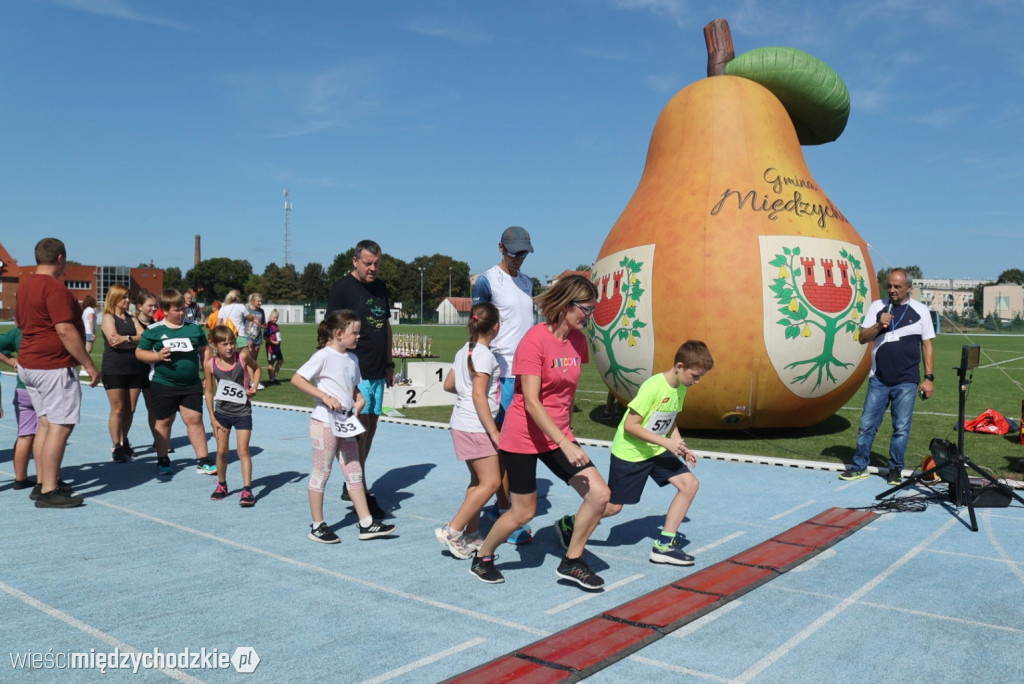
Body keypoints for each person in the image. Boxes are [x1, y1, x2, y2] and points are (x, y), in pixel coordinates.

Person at [469, 275, 610, 589]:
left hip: (556, 433)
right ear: (565, 306)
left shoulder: (577, 341)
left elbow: (567, 391)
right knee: (523, 513)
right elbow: (531, 402)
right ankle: (483, 555)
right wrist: (565, 442)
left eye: (592, 309)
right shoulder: (534, 340)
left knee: (602, 497)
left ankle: (572, 561)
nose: (590, 316)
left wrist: (566, 432)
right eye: (586, 309)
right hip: (523, 435)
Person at [555, 341, 714, 567]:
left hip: (656, 449)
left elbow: (669, 418)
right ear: (679, 366)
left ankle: (664, 546)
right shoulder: (654, 387)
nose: (696, 382)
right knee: (612, 508)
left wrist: (679, 443)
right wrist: (666, 442)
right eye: (695, 376)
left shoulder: (680, 387)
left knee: (690, 484)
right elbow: (631, 425)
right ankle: (569, 524)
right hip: (630, 453)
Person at [291, 309, 396, 543]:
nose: (359, 337)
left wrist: (359, 401)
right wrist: (324, 397)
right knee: (322, 473)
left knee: (354, 472)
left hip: (345, 424)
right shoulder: (323, 356)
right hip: (324, 423)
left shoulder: (352, 359)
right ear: (339, 333)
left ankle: (367, 524)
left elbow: (353, 388)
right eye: (354, 333)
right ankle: (317, 526)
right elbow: (297, 379)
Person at [15, 238, 100, 508]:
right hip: (51, 365)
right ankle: (50, 489)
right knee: (61, 425)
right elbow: (65, 330)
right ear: (61, 259)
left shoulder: (24, 286)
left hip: (29, 362)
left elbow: (21, 323)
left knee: (46, 423)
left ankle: (43, 482)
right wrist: (88, 364)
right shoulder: (55, 289)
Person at [471, 225, 537, 544]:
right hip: (500, 375)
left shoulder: (527, 282)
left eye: (524, 253)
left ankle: (506, 507)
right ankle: (501, 508)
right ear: (500, 248)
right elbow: (477, 328)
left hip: (526, 374)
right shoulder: (487, 281)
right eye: (514, 253)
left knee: (518, 447)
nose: (519, 259)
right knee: (500, 446)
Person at [840, 268, 935, 484]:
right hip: (879, 379)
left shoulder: (920, 310)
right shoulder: (877, 307)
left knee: (901, 429)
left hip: (907, 381)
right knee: (867, 425)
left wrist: (929, 378)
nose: (892, 290)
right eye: (889, 286)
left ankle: (895, 470)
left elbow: (927, 345)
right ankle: (859, 466)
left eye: (897, 286)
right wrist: (878, 324)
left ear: (909, 288)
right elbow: (862, 338)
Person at [326, 239, 394, 518]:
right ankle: (359, 487)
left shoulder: (381, 287)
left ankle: (352, 481)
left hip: (379, 368)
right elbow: (330, 330)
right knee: (360, 431)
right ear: (355, 261)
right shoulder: (342, 288)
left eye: (377, 263)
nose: (373, 268)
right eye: (368, 263)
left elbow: (386, 325)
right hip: (356, 369)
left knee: (371, 427)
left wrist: (389, 362)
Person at [435, 302, 503, 559]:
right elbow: (478, 394)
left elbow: (449, 384)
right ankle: (452, 530)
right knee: (492, 482)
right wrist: (493, 432)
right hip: (476, 427)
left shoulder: (465, 349)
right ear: (495, 326)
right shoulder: (484, 354)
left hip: (461, 423)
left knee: (478, 482)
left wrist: (466, 392)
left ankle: (472, 534)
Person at [135, 288, 214, 476]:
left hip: (190, 384)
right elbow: (139, 353)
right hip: (163, 383)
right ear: (165, 310)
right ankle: (163, 459)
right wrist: (157, 355)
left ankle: (203, 460)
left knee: (194, 419)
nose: (181, 313)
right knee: (165, 421)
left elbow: (205, 351)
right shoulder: (154, 331)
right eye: (176, 310)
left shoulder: (193, 328)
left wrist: (207, 374)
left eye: (182, 309)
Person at [204, 325, 260, 507]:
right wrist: (212, 418)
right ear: (215, 346)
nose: (229, 348)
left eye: (232, 343)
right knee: (221, 451)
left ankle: (247, 490)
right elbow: (209, 392)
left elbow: (257, 368)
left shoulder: (242, 357)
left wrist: (254, 386)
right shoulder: (210, 364)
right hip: (222, 413)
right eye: (224, 344)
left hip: (242, 411)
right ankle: (222, 485)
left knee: (243, 451)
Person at [100, 284, 146, 462]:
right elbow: (113, 341)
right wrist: (132, 341)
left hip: (133, 366)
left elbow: (143, 337)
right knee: (118, 408)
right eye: (124, 297)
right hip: (115, 368)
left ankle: (123, 439)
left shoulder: (132, 318)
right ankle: (116, 446)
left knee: (131, 408)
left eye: (129, 297)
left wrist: (126, 339)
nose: (128, 300)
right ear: (114, 299)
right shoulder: (107, 318)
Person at [0, 326, 39, 491]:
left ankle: (20, 478)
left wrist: (11, 361)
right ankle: (48, 479)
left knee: (24, 434)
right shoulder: (49, 330)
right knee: (48, 434)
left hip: (22, 388)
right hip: (45, 388)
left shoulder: (19, 331)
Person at [244, 292, 266, 367]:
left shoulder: (261, 311)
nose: (260, 303)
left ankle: (252, 377)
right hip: (248, 336)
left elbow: (262, 323)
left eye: (261, 301)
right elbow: (242, 322)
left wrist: (265, 325)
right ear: (253, 301)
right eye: (258, 301)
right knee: (250, 358)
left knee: (254, 359)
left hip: (258, 337)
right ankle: (248, 377)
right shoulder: (246, 309)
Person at [265, 309, 284, 385]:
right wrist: (273, 342)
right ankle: (272, 380)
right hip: (271, 348)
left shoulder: (276, 326)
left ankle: (274, 377)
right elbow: (265, 337)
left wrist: (278, 342)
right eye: (274, 317)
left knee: (280, 361)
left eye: (277, 318)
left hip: (277, 348)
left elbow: (278, 336)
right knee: (270, 365)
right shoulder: (268, 326)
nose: (275, 319)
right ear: (270, 316)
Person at [80, 295, 97, 369]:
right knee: (88, 351)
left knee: (86, 351)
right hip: (89, 332)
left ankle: (83, 368)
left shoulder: (85, 310)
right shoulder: (91, 310)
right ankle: (84, 369)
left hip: (85, 331)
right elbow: (91, 321)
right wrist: (93, 333)